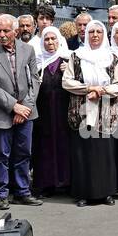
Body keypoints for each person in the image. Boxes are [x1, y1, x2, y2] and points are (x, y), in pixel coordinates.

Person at [0, 14, 42, 210]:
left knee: (24, 153)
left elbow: (34, 81)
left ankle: (23, 192)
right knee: (2, 155)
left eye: (6, 31)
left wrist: (25, 107)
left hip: (27, 112)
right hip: (1, 112)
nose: (1, 34)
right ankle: (2, 194)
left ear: (15, 31)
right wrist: (15, 106)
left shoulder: (28, 50)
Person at [62, 20, 118, 206]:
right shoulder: (76, 56)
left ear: (104, 34)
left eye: (99, 31)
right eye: (91, 32)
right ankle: (83, 193)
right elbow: (67, 82)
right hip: (81, 111)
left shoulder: (112, 58)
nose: (95, 35)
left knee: (104, 153)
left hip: (105, 112)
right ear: (86, 35)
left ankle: (106, 192)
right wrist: (89, 87)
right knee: (82, 152)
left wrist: (101, 91)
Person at [31, 25, 72, 195]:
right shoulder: (37, 61)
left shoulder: (68, 60)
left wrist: (69, 70)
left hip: (63, 111)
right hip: (44, 113)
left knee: (64, 146)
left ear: (59, 40)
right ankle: (46, 184)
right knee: (45, 147)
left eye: (53, 39)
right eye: (46, 39)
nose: (50, 42)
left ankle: (65, 182)